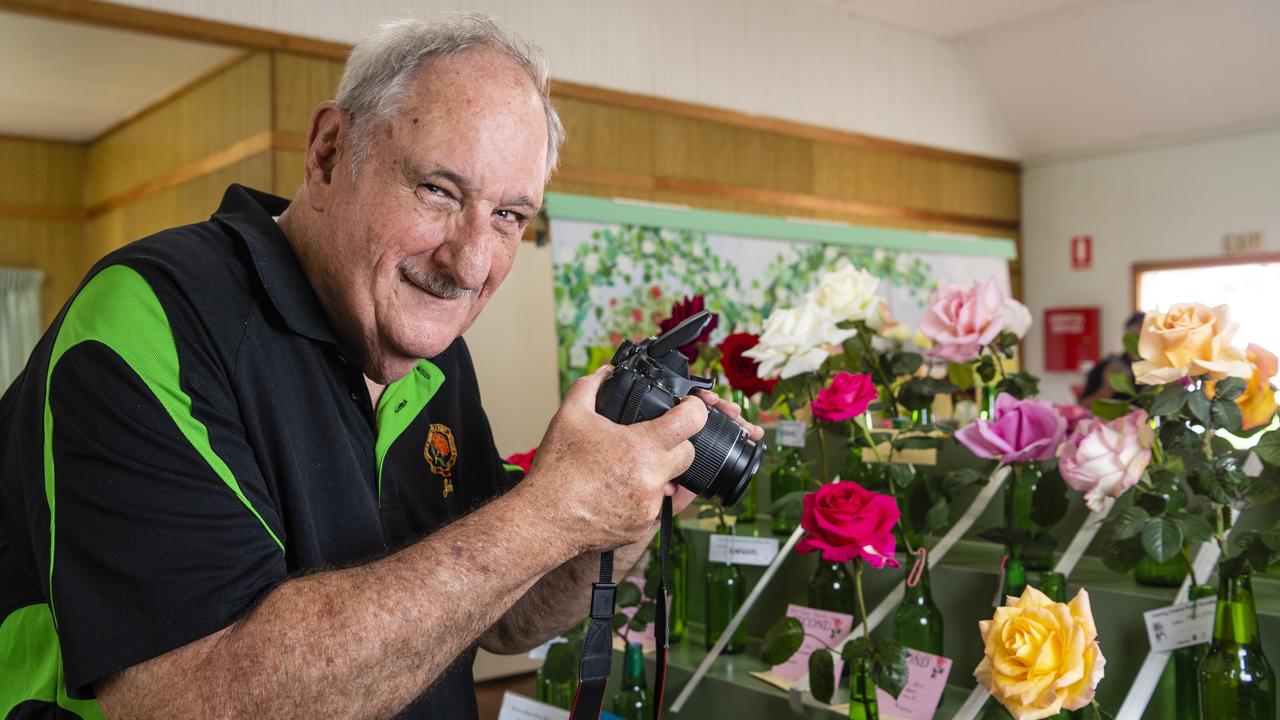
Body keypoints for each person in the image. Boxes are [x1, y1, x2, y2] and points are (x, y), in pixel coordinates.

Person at [0, 16, 761, 719]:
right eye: (437, 190)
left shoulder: (433, 355)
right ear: (329, 152)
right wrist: (550, 508)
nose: (469, 261)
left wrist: (626, 507)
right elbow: (184, 698)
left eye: (508, 217)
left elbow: (503, 615)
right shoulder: (152, 313)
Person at [1077, 311, 1145, 407]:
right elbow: (1082, 406)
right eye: (1137, 336)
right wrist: (1107, 389)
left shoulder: (1161, 369)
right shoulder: (1108, 366)